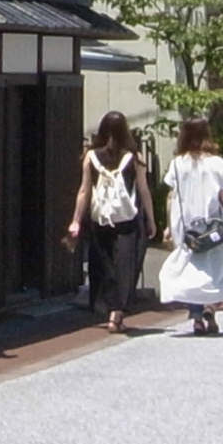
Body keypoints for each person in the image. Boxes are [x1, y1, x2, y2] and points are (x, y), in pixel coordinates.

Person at [64, 110, 155, 333]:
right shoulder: (134, 157)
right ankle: (117, 312)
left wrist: (76, 220)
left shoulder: (91, 156)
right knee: (126, 264)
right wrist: (151, 219)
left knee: (103, 263)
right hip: (127, 219)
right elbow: (143, 190)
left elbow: (84, 191)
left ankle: (105, 306)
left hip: (99, 219)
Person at [156, 116, 223, 336]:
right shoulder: (216, 163)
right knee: (214, 270)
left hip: (186, 228)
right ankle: (211, 309)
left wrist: (168, 225)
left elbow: (171, 196)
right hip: (214, 226)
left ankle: (196, 318)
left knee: (190, 270)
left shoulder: (177, 164)